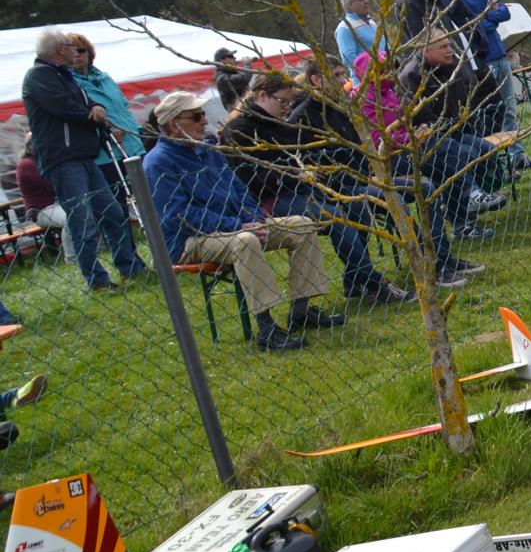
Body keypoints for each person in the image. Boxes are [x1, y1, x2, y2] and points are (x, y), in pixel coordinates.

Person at [143, 90, 343, 351]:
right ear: (173, 124)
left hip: (236, 226)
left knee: (302, 224)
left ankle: (301, 310)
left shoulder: (208, 149)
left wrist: (254, 218)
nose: (204, 120)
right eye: (196, 116)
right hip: (189, 240)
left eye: (203, 114)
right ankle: (267, 328)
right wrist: (237, 226)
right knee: (245, 241)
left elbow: (239, 189)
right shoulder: (157, 163)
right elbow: (178, 216)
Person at [219, 72, 414, 306]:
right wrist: (295, 173)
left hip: (301, 189)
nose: (287, 107)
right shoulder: (239, 130)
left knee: (357, 207)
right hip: (267, 199)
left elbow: (299, 156)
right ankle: (373, 282)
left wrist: (312, 167)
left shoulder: (283, 124)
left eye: (289, 102)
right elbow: (248, 178)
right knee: (336, 218)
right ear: (262, 95)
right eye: (282, 101)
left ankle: (355, 280)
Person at [288, 59, 479, 290]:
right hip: (337, 189)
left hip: (364, 178)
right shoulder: (302, 118)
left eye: (342, 74)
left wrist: (372, 172)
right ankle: (431, 266)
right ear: (316, 80)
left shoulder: (341, 108)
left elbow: (362, 148)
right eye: (336, 76)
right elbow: (308, 165)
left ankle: (442, 257)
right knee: (395, 199)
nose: (343, 81)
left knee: (427, 187)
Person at [20, 30, 148, 291]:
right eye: (71, 47)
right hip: (64, 159)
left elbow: (88, 102)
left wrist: (95, 109)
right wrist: (91, 113)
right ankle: (97, 281)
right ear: (60, 50)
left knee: (113, 213)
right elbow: (63, 106)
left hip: (85, 156)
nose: (75, 52)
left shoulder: (64, 75)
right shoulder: (39, 76)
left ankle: (130, 267)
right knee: (82, 220)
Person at [396, 30, 510, 235]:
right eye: (444, 46)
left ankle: (469, 201)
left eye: (449, 44)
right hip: (427, 140)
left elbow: (462, 100)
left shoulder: (451, 66)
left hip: (454, 131)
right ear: (426, 50)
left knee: (485, 149)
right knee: (462, 155)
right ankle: (464, 215)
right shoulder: (411, 76)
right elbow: (416, 117)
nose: (451, 50)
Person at [435, 0, 531, 170]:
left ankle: (517, 155)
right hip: (481, 60)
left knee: (509, 108)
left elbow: (504, 12)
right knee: (489, 115)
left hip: (499, 53)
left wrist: (484, 19)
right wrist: (487, 18)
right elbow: (469, 25)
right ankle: (496, 163)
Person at [66, 32, 144, 217]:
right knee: (117, 210)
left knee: (149, 198)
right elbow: (76, 119)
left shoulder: (105, 78)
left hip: (133, 146)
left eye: (81, 50)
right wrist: (104, 134)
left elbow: (123, 106)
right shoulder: (68, 84)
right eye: (71, 51)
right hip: (106, 155)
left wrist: (136, 129)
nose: (76, 54)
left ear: (89, 53)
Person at [335, 0, 381, 84]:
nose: (366, 2)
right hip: (367, 83)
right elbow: (348, 58)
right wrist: (373, 71)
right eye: (361, 0)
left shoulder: (371, 22)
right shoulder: (344, 28)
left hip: (386, 78)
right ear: (351, 5)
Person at [213, 47, 252, 113]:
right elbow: (244, 79)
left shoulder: (232, 72)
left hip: (247, 109)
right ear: (222, 60)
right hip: (240, 113)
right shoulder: (222, 78)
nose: (234, 58)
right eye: (231, 56)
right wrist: (247, 64)